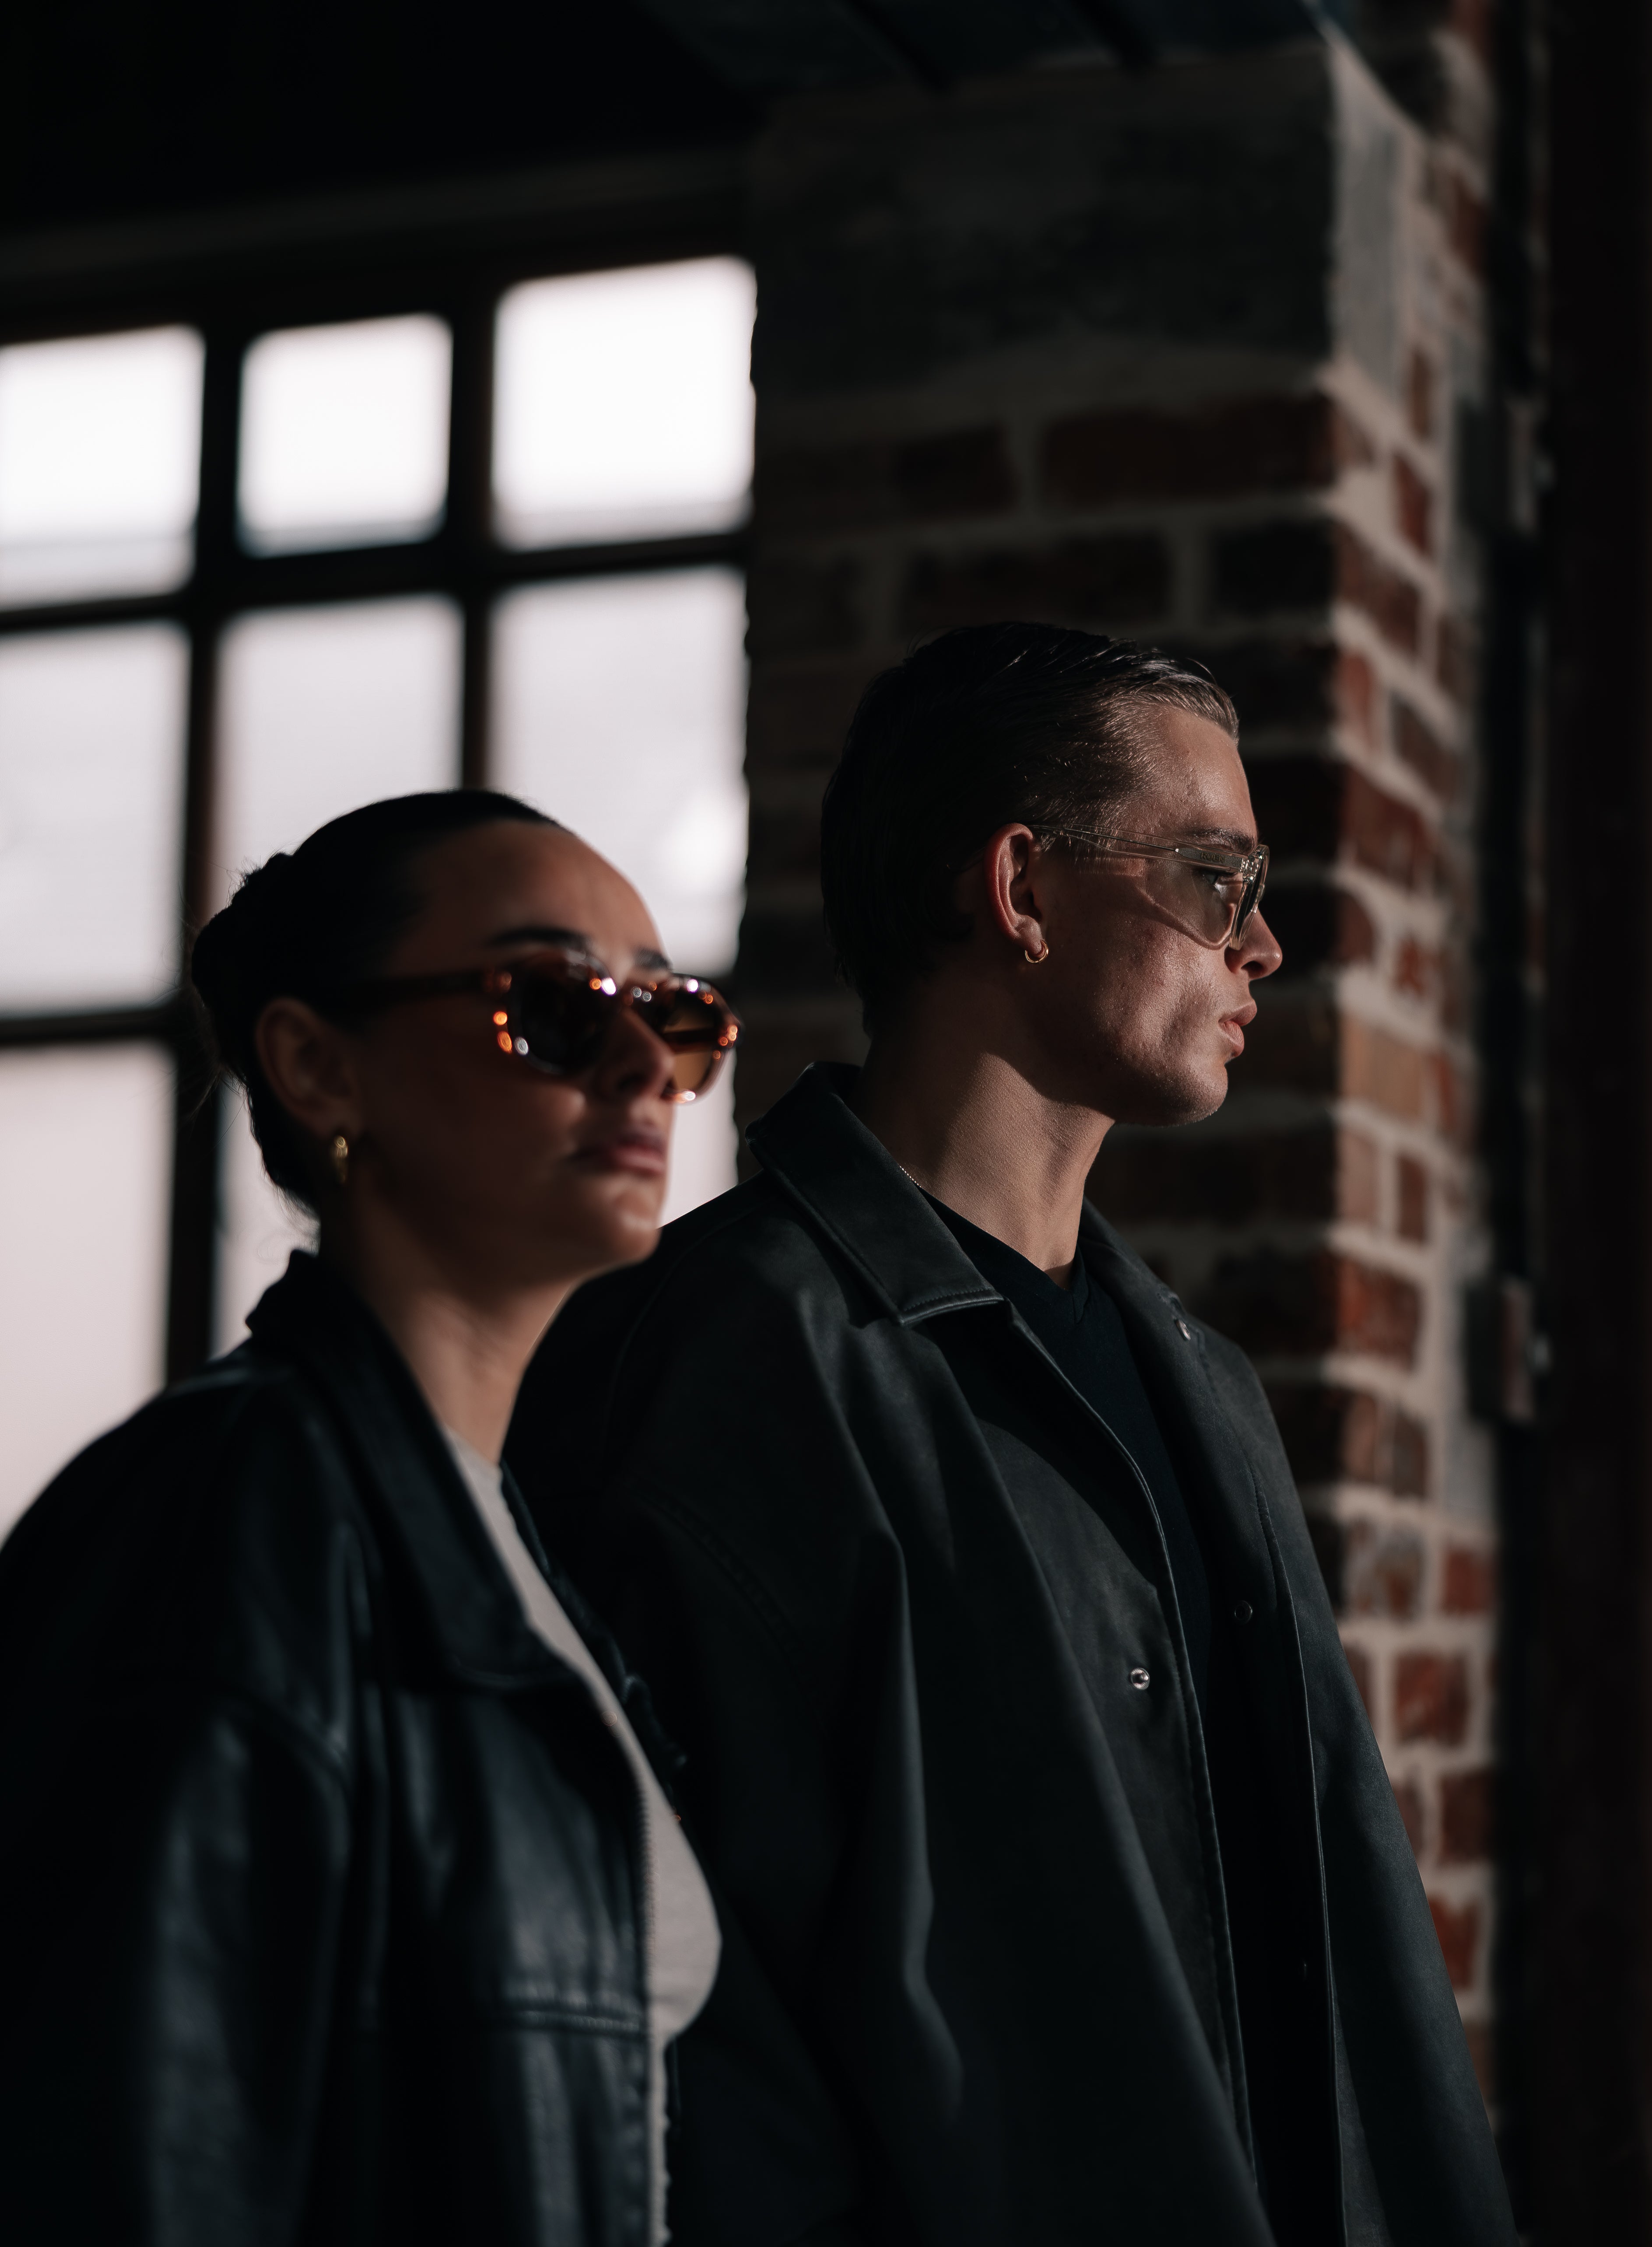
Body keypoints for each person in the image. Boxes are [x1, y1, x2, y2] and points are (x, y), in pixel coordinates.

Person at [507, 627, 1518, 2247]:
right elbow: (674, 2014)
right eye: (1214, 879)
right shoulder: (722, 1354)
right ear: (1023, 889)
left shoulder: (1199, 1379)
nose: (1263, 948)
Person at [0, 788, 742, 2247]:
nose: (646, 1065)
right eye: (555, 1004)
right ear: (318, 1066)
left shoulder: (496, 1538)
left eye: (676, 1012)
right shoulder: (228, 1518)